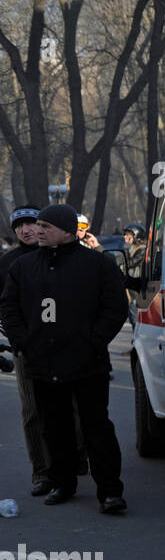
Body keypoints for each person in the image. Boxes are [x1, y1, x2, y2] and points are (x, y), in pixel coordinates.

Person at [0, 204, 129, 513]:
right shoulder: (23, 267)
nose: (38, 230)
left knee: (95, 427)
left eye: (46, 225)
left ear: (68, 232)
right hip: (42, 363)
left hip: (88, 363)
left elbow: (114, 308)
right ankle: (62, 482)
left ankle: (110, 491)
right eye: (37, 225)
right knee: (54, 427)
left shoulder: (97, 265)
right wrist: (22, 343)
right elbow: (10, 308)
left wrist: (94, 341)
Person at [0, 206, 55, 496]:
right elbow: (4, 307)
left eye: (31, 223)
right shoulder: (8, 263)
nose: (26, 230)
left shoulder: (62, 255)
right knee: (32, 408)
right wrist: (17, 339)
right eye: (19, 226)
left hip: (66, 345)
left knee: (71, 406)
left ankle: (77, 458)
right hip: (27, 346)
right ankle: (42, 471)